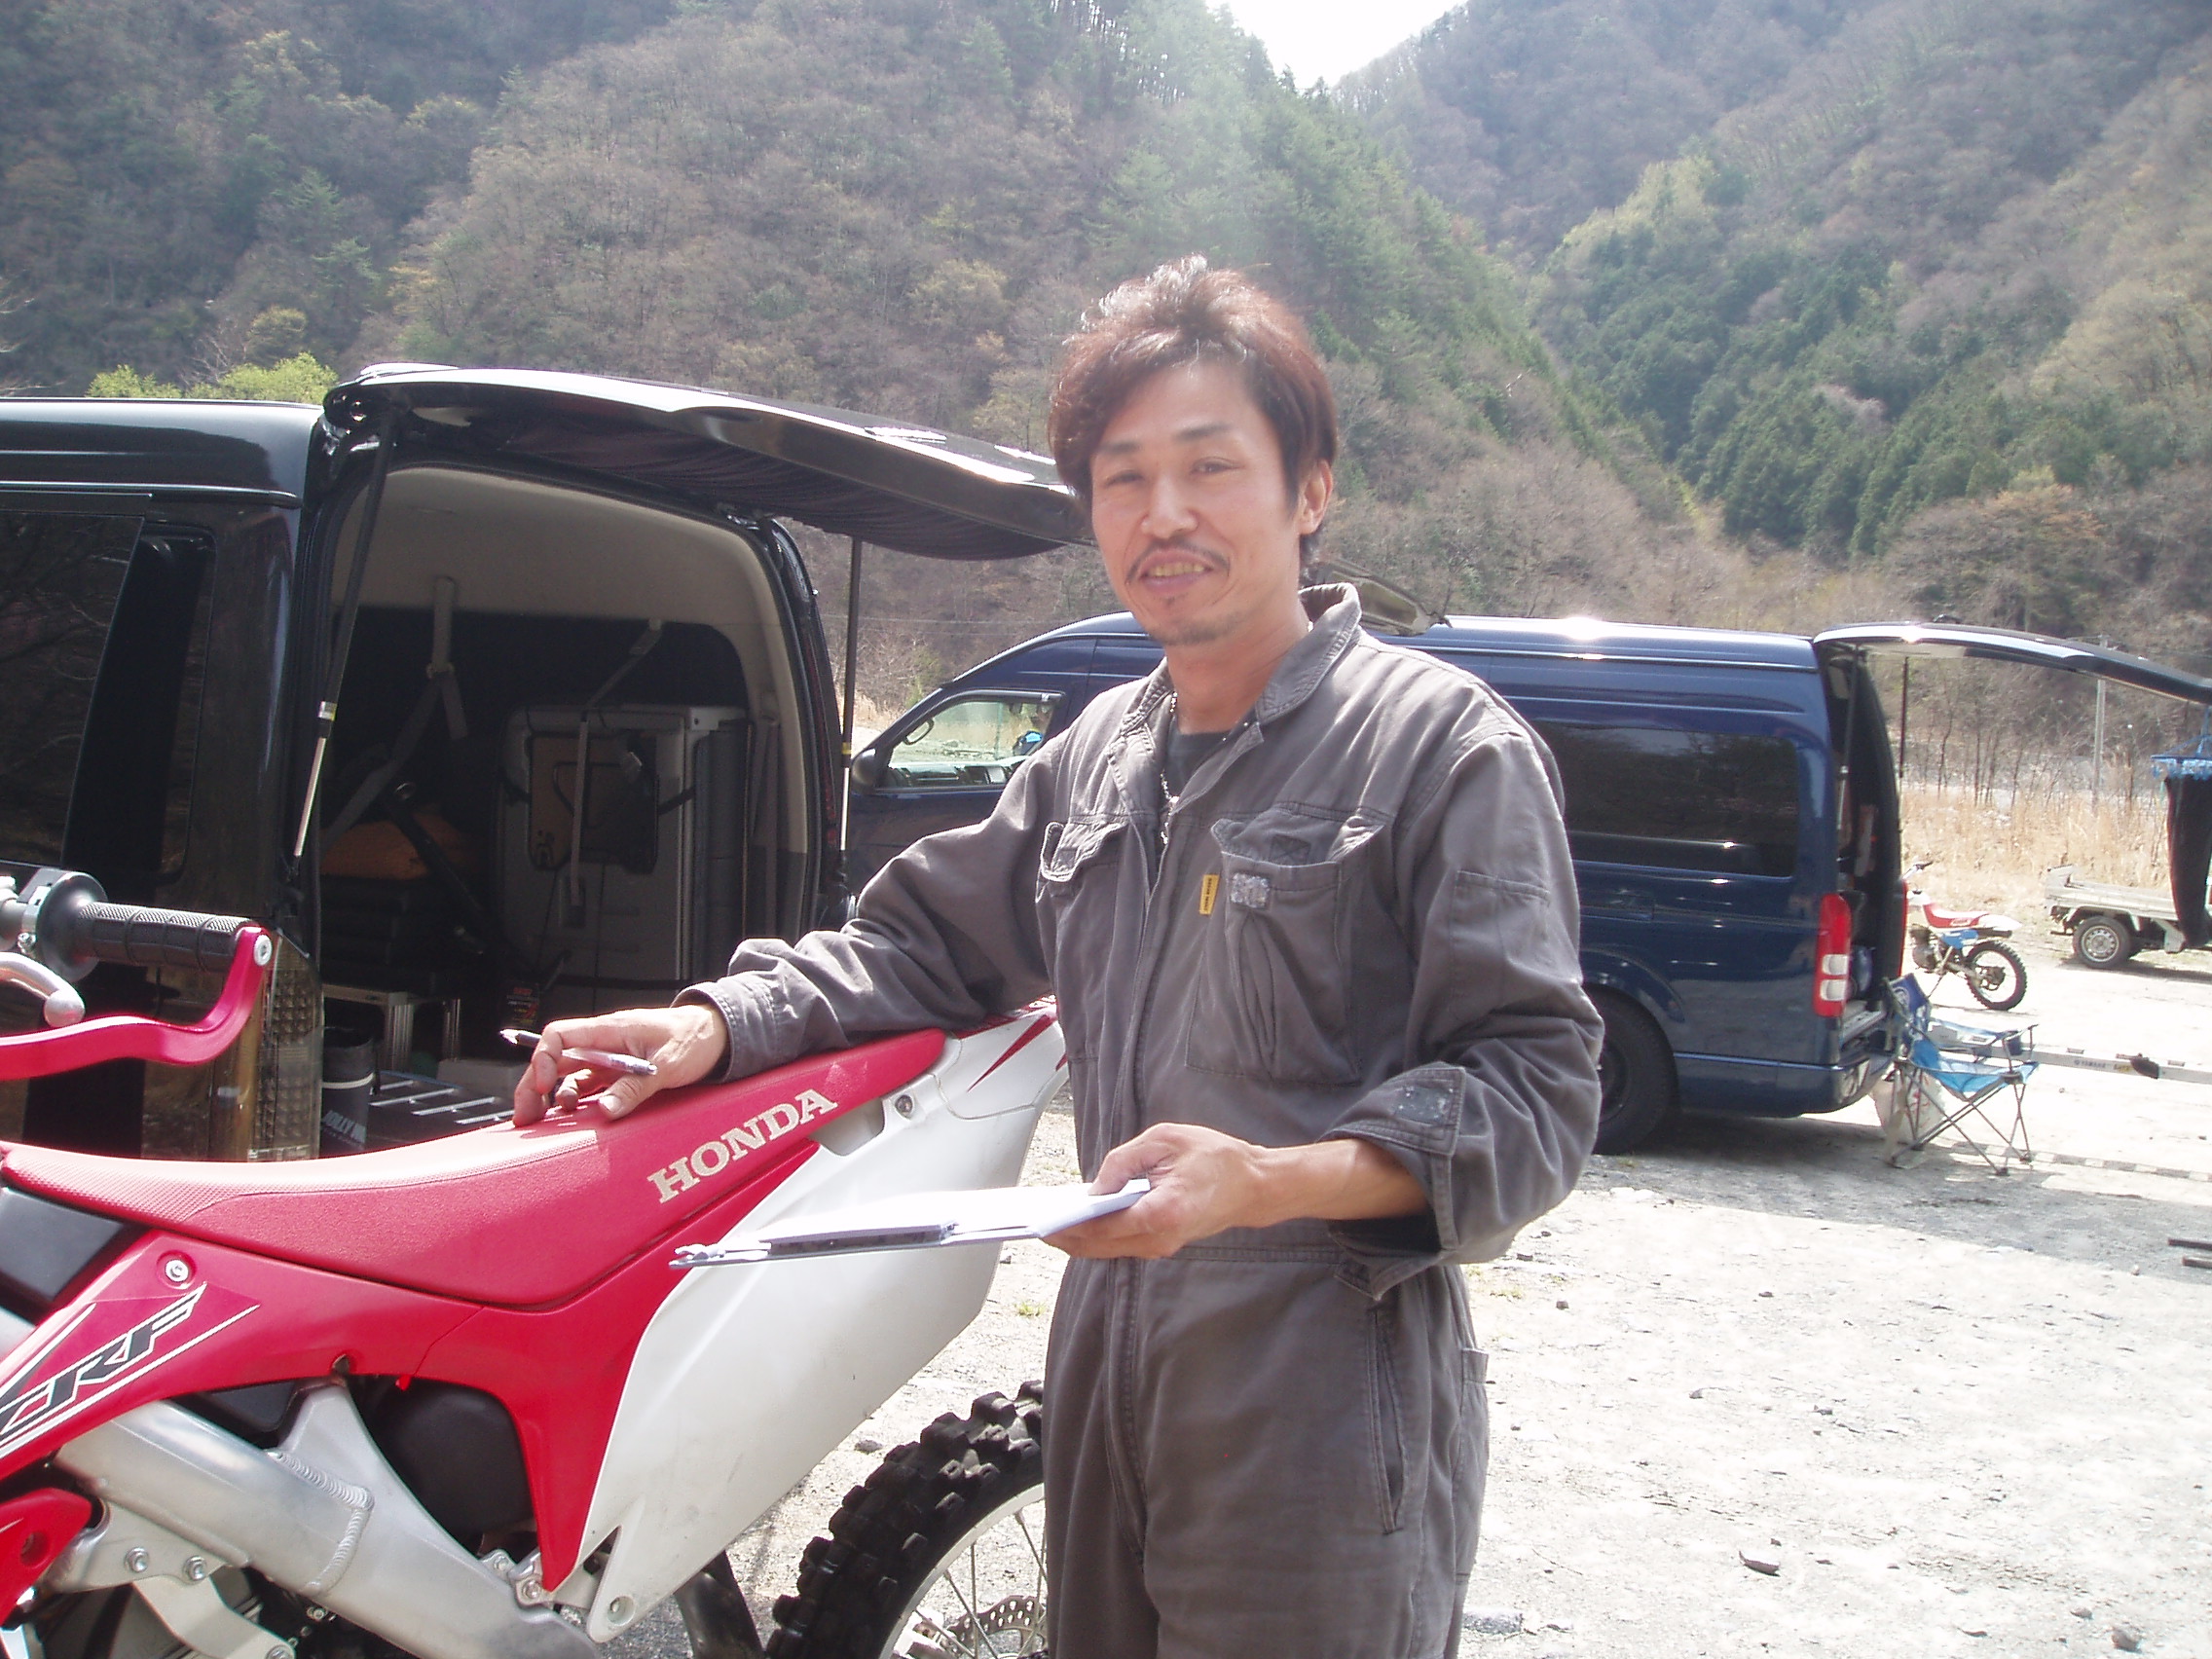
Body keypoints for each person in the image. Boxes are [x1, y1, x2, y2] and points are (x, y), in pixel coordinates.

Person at [514, 256, 1603, 1659]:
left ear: (1311, 490)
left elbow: (1534, 1090)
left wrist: (1263, 1182)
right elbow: (915, 945)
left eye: (1210, 466)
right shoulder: (1098, 756)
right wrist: (717, 1023)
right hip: (1104, 1375)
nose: (1164, 513)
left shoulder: (1440, 750)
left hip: (1324, 1397)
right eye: (1122, 478)